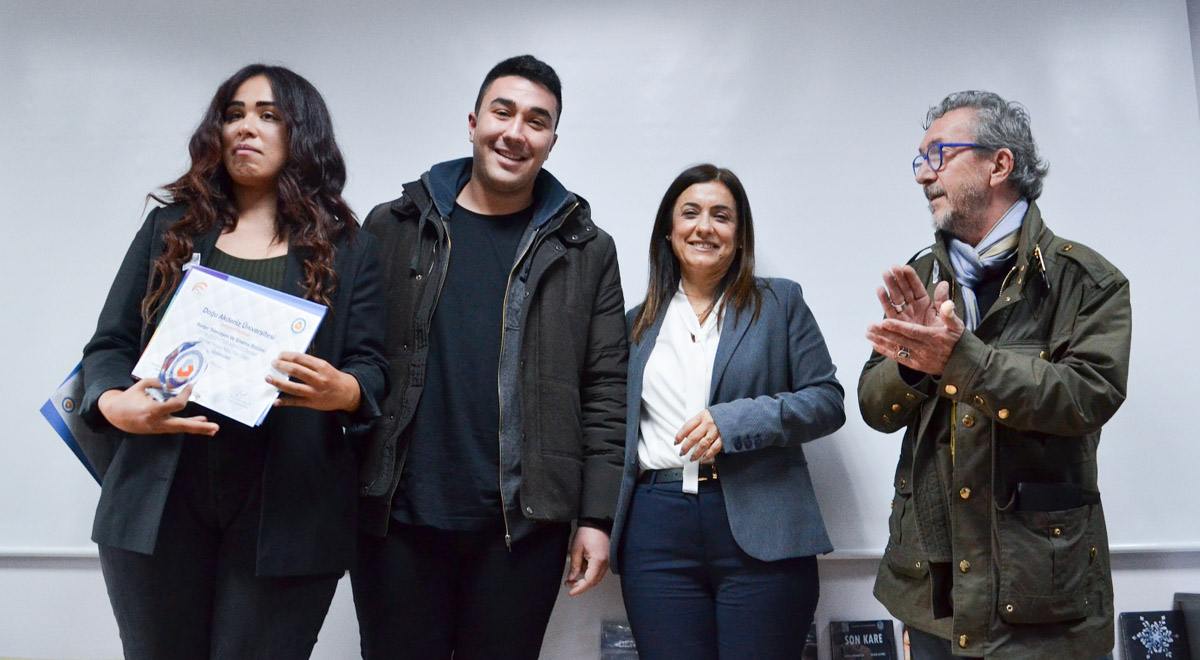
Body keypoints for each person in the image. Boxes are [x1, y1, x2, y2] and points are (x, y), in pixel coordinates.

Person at [80, 64, 388, 658]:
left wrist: (343, 390)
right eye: (234, 114)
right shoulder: (169, 228)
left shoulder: (350, 248)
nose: (246, 127)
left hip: (290, 509)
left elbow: (371, 368)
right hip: (158, 502)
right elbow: (109, 346)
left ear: (303, 135)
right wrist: (115, 405)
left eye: (269, 116)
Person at [351, 54, 628, 659]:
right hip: (397, 519)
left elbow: (606, 391)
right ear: (474, 122)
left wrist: (596, 518)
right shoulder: (393, 225)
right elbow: (359, 358)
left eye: (537, 121)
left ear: (551, 142)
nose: (515, 132)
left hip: (523, 527)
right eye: (503, 112)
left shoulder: (587, 250)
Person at [860, 91, 1130, 659]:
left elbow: (1087, 397)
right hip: (933, 594)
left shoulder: (1086, 280)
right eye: (920, 160)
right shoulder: (920, 274)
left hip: (1042, 598)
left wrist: (958, 359)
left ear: (999, 164)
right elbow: (873, 407)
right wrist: (910, 366)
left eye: (939, 155)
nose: (923, 175)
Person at [609, 164, 846, 659]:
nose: (705, 227)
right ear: (669, 230)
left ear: (739, 237)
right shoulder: (634, 325)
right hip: (656, 528)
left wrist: (737, 421)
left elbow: (827, 401)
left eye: (721, 216)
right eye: (690, 213)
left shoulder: (780, 303)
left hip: (762, 520)